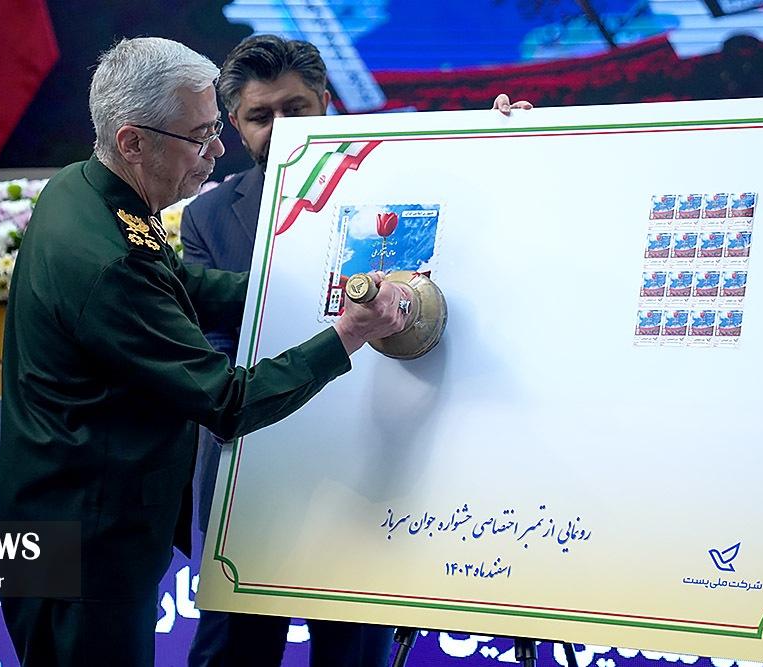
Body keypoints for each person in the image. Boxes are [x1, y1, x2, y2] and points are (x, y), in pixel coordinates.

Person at [0, 36, 410, 667]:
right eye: (200, 135)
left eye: (215, 128)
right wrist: (349, 332)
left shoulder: (87, 189)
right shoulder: (110, 262)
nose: (217, 150)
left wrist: (316, 290)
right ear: (134, 142)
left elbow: (187, 284)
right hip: (84, 545)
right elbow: (228, 400)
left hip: (62, 519)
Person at [181, 34, 531, 667]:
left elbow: (472, 224)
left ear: (326, 101)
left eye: (296, 109)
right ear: (233, 123)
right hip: (255, 473)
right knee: (231, 653)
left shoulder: (396, 185)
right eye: (261, 116)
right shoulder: (208, 218)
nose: (282, 128)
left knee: (352, 656)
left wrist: (505, 145)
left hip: (372, 466)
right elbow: (214, 351)